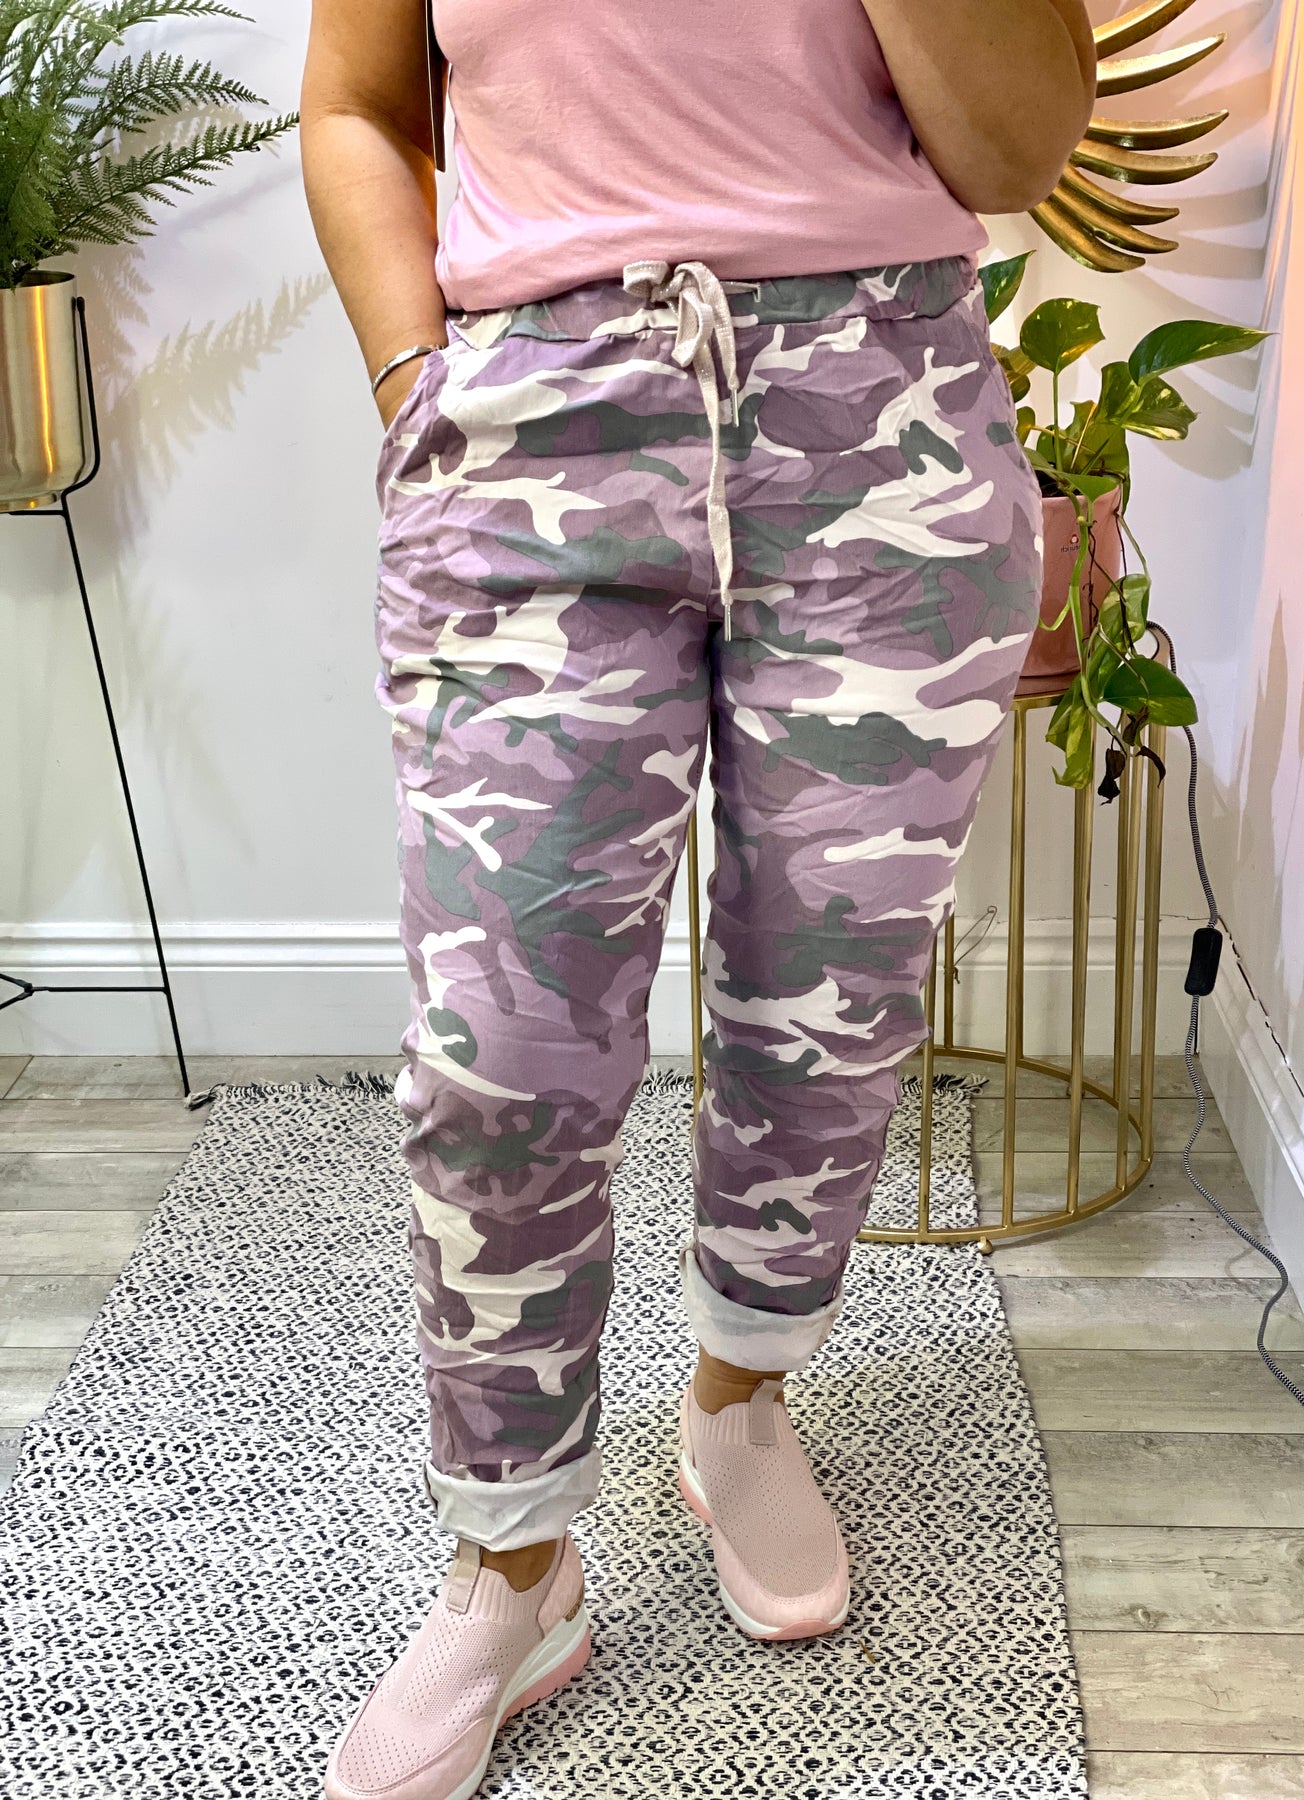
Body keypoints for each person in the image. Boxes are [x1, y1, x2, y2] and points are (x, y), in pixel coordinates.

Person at [300, 2, 1096, 1794]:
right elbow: (354, 103)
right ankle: (514, 1562)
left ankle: (739, 1400)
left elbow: (1017, 146)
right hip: (539, 432)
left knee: (826, 1003)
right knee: (496, 1054)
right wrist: (416, 382)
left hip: (879, 424)